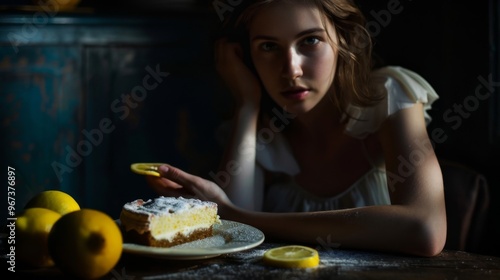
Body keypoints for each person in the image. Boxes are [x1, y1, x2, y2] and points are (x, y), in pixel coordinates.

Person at [147, 0, 446, 257]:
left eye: (310, 40)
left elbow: (426, 229)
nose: (291, 70)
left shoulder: (389, 96)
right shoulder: (262, 134)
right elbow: (233, 241)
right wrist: (247, 104)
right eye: (268, 46)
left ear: (344, 39)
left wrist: (239, 216)